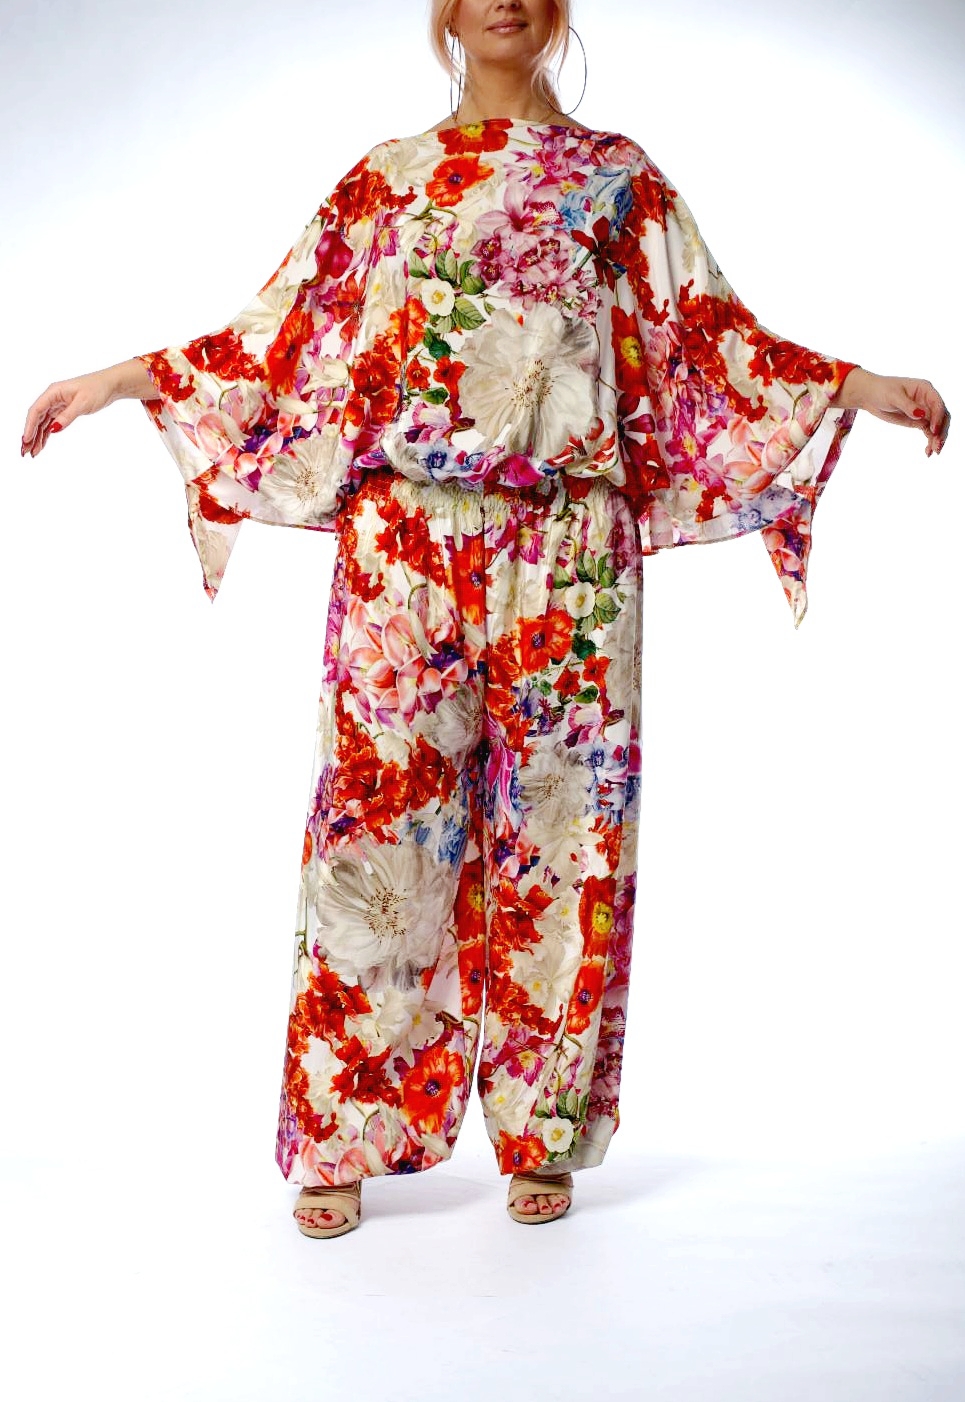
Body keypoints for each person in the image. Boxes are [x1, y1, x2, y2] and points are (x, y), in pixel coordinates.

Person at [20, 0, 951, 1240]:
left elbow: (705, 337)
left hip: (567, 545)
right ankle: (344, 1130)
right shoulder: (391, 179)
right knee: (373, 825)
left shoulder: (614, 178)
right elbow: (281, 335)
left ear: (553, 10)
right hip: (402, 540)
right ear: (448, 14)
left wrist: (856, 387)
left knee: (565, 833)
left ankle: (541, 1129)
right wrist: (120, 379)